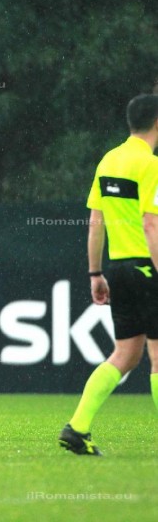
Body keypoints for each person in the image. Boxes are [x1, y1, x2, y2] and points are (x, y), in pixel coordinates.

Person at [60, 93, 158, 456]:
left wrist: (95, 272)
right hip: (146, 266)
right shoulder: (151, 166)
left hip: (117, 267)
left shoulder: (110, 160)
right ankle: (77, 426)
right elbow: (151, 225)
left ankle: (77, 427)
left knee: (126, 355)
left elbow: (95, 221)